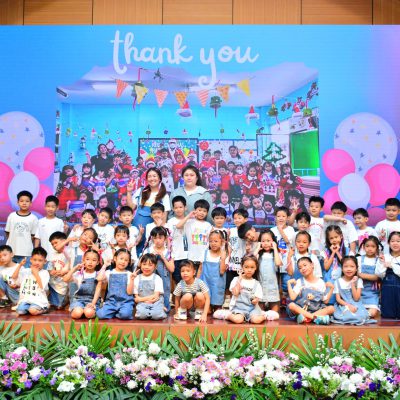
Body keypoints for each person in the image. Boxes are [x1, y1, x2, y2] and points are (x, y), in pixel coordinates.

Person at [127, 168, 170, 254]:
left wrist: (159, 231)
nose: (152, 178)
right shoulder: (141, 191)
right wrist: (129, 192)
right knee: (135, 252)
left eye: (154, 176)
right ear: (146, 179)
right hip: (138, 230)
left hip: (153, 233)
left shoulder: (164, 195)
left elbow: (164, 218)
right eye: (149, 176)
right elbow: (131, 207)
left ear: (160, 178)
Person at [287, 256, 335, 324]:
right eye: (300, 268)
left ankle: (306, 318)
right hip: (302, 309)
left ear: (312, 265)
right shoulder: (299, 281)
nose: (303, 268)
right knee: (291, 305)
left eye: (305, 265)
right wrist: (288, 283)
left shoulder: (321, 282)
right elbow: (292, 297)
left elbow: (325, 301)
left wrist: (331, 289)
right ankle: (315, 318)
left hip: (316, 310)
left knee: (331, 308)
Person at [224, 255, 267, 324]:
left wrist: (255, 300)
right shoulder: (236, 279)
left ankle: (264, 316)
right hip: (239, 308)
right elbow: (235, 293)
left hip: (252, 309)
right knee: (238, 320)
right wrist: (239, 279)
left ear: (256, 268)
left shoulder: (256, 283)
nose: (249, 270)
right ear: (242, 267)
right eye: (246, 267)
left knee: (256, 320)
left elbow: (257, 298)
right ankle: (228, 316)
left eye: (252, 267)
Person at [331, 256, 373, 325]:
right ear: (342, 268)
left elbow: (356, 298)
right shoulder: (338, 281)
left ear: (356, 269)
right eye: (346, 266)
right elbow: (338, 299)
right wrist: (348, 306)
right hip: (344, 305)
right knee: (343, 315)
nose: (349, 269)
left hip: (356, 305)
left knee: (361, 316)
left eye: (352, 266)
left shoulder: (359, 281)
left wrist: (352, 284)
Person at [63, 249, 103, 319]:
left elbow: (98, 290)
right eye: (87, 259)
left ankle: (86, 311)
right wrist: (74, 268)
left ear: (97, 262)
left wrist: (93, 303)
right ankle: (81, 310)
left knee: (89, 313)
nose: (90, 262)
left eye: (94, 260)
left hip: (93, 301)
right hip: (79, 300)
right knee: (77, 313)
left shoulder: (98, 274)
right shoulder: (79, 274)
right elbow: (65, 279)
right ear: (83, 260)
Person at [97, 248, 134, 320]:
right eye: (121, 258)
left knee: (125, 315)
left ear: (129, 262)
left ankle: (117, 313)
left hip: (125, 302)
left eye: (126, 260)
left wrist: (132, 279)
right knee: (100, 315)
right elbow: (99, 278)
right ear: (115, 258)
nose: (123, 262)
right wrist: (104, 265)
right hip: (111, 302)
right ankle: (116, 312)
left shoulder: (129, 274)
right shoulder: (109, 272)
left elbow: (129, 292)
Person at [143, 226, 174, 312]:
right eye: (155, 238)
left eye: (160, 238)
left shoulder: (169, 252)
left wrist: (163, 258)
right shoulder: (148, 250)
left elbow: (172, 269)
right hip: (149, 278)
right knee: (150, 295)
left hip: (164, 279)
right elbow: (140, 265)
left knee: (164, 294)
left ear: (165, 238)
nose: (157, 240)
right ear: (152, 239)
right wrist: (150, 257)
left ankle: (164, 309)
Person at [176, 199, 213, 271]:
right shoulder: (190, 222)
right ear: (195, 210)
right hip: (191, 258)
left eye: (204, 211)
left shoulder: (208, 225)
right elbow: (178, 226)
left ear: (207, 213)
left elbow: (210, 241)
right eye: (199, 210)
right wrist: (189, 215)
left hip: (204, 259)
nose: (201, 213)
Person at [5, 190, 38, 267]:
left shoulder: (33, 218)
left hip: (26, 253)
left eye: (27, 201)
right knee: (10, 273)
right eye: (22, 201)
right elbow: (8, 232)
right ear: (18, 202)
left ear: (31, 203)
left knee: (25, 273)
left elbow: (33, 236)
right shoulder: (12, 216)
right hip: (11, 252)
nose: (24, 203)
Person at [198, 230, 227, 311]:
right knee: (207, 310)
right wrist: (197, 282)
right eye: (211, 241)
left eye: (216, 241)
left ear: (222, 242)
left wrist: (223, 258)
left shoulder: (224, 254)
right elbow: (200, 269)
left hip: (217, 285)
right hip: (205, 283)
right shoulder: (205, 253)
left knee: (217, 312)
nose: (213, 243)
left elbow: (222, 271)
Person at [16, 247, 50, 316]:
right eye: (35, 260)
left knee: (32, 311)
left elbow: (42, 287)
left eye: (40, 260)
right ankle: (30, 308)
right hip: (26, 299)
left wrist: (36, 273)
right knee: (20, 311)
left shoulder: (45, 273)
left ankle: (45, 307)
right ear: (31, 260)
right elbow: (14, 278)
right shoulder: (26, 271)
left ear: (45, 261)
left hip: (38, 300)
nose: (37, 263)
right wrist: (20, 265)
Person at [224, 209, 247, 308]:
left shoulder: (248, 230)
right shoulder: (231, 231)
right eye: (235, 218)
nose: (237, 220)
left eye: (239, 218)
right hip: (232, 262)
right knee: (229, 282)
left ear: (245, 219)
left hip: (243, 263)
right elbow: (229, 246)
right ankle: (227, 300)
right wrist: (227, 259)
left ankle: (241, 302)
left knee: (243, 283)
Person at [133, 253, 167, 320]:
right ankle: (160, 308)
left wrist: (141, 299)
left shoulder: (157, 278)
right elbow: (136, 298)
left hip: (155, 302)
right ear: (140, 265)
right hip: (142, 303)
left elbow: (156, 296)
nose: (146, 267)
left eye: (150, 265)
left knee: (157, 315)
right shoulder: (137, 278)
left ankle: (160, 308)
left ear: (155, 266)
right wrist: (142, 301)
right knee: (141, 315)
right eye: (144, 264)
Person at [376, 231, 400, 319]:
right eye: (392, 241)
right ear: (389, 243)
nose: (395, 243)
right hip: (387, 290)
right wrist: (382, 263)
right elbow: (379, 274)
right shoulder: (384, 256)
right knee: (388, 316)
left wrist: (392, 265)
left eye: (398, 241)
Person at [34, 195, 66, 262]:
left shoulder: (59, 222)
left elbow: (63, 239)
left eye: (53, 207)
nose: (50, 209)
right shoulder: (40, 221)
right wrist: (35, 252)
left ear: (57, 208)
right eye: (48, 206)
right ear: (45, 207)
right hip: (44, 255)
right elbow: (37, 238)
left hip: (57, 256)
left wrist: (65, 230)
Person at [257, 229, 282, 312]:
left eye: (268, 241)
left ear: (273, 241)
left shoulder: (276, 254)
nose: (266, 243)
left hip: (272, 288)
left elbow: (278, 263)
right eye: (263, 241)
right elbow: (252, 262)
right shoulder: (258, 254)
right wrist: (257, 249)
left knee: (274, 314)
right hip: (260, 288)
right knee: (260, 313)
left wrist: (275, 248)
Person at [357, 236, 382, 318]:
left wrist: (361, 275)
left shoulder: (378, 260)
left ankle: (360, 317)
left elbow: (377, 277)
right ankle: (359, 317)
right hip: (359, 291)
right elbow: (355, 273)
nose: (370, 249)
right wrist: (370, 276)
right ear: (363, 247)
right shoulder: (358, 259)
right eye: (367, 246)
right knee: (356, 308)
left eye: (373, 246)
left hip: (373, 293)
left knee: (373, 312)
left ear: (377, 248)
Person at [167, 196, 188, 286]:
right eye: (176, 207)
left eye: (180, 207)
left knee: (188, 280)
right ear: (173, 209)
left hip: (188, 255)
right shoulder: (171, 222)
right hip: (176, 256)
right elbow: (168, 238)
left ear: (185, 207)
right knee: (178, 280)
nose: (178, 209)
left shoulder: (190, 221)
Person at [47, 231, 71, 309]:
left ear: (64, 241)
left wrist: (65, 272)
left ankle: (66, 299)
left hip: (63, 286)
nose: (54, 245)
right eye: (52, 244)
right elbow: (49, 269)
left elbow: (72, 267)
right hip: (52, 285)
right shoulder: (52, 254)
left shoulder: (69, 252)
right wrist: (51, 271)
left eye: (56, 242)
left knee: (58, 306)